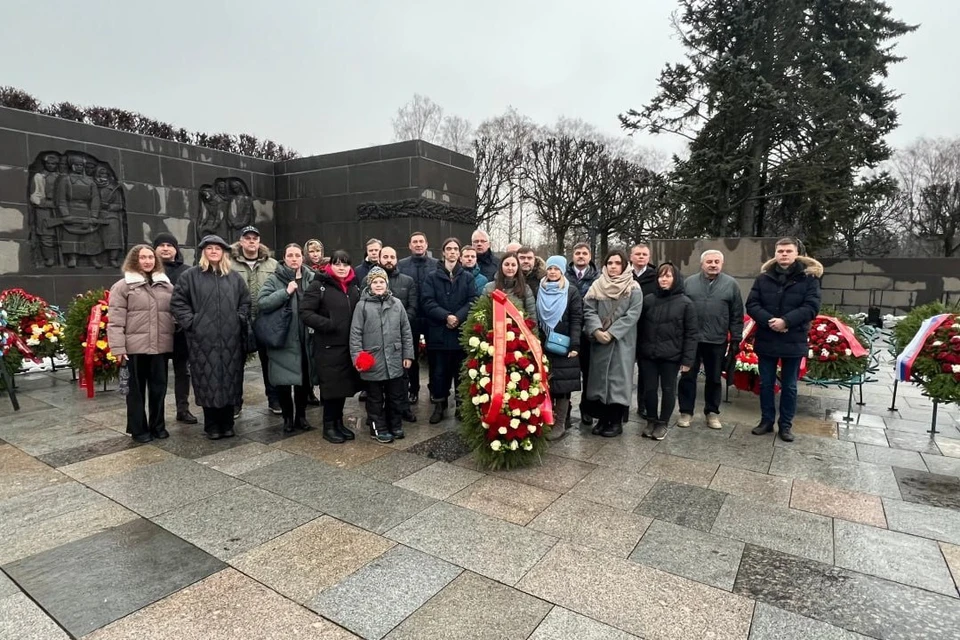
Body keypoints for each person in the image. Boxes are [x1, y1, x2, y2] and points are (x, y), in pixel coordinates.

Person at [170, 235, 250, 440]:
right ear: (203, 252)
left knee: (230, 379)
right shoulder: (190, 276)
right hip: (202, 340)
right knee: (207, 380)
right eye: (209, 248)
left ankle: (228, 423)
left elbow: (245, 301)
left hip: (230, 339)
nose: (214, 251)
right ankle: (212, 424)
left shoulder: (234, 278)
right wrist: (193, 323)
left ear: (223, 252)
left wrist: (238, 318)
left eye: (218, 248)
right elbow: (178, 303)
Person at [746, 238, 822, 442]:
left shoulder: (809, 279)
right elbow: (752, 304)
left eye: (788, 251)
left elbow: (812, 307)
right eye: (780, 251)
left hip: (793, 339)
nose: (784, 254)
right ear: (775, 254)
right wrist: (769, 321)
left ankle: (786, 425)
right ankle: (766, 421)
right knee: (766, 384)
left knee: (789, 386)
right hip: (767, 337)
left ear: (797, 253)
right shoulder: (763, 279)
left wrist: (786, 321)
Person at [107, 245, 175, 443]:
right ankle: (138, 429)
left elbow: (174, 313)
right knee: (134, 393)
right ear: (134, 261)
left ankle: (158, 427)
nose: (147, 261)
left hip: (159, 348)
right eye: (143, 258)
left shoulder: (166, 286)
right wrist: (118, 348)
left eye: (151, 258)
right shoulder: (123, 286)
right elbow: (115, 320)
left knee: (159, 390)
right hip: (133, 350)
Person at [300, 250, 362, 444]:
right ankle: (328, 426)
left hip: (347, 346)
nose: (341, 268)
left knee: (343, 387)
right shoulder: (319, 285)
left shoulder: (354, 287)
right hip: (327, 346)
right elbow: (305, 312)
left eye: (345, 264)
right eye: (337, 264)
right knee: (331, 388)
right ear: (331, 266)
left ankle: (338, 422)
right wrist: (328, 324)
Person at [678, 250, 744, 430]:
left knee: (714, 378)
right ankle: (686, 412)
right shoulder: (689, 283)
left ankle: (712, 412)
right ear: (702, 264)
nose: (713, 264)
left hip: (716, 339)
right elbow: (681, 309)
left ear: (721, 264)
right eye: (709, 261)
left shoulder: (731, 285)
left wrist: (736, 338)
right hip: (692, 339)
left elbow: (737, 314)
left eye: (716, 261)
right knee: (687, 376)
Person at [582, 249, 644, 437]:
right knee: (600, 381)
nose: (614, 267)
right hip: (600, 341)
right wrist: (596, 330)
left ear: (624, 265)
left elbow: (633, 314)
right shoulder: (597, 285)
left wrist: (612, 333)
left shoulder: (633, 288)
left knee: (617, 382)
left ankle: (616, 422)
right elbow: (589, 309)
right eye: (610, 263)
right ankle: (602, 419)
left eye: (618, 263)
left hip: (621, 342)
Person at [351, 267, 415, 443]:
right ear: (369, 285)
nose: (378, 285)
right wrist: (358, 357)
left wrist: (407, 355)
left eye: (381, 282)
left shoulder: (397, 304)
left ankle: (395, 424)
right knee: (375, 398)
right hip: (373, 360)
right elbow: (355, 334)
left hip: (394, 358)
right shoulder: (361, 306)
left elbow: (406, 331)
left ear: (386, 284)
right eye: (375, 282)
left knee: (396, 395)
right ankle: (378, 427)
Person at [257, 243, 316, 434]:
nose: (294, 259)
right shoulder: (274, 279)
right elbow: (263, 302)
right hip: (284, 339)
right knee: (284, 382)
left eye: (297, 255)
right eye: (290, 255)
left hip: (306, 338)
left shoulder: (311, 278)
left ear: (302, 258)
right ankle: (287, 419)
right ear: (284, 258)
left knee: (303, 382)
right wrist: (285, 292)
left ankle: (301, 417)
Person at [638, 263, 698, 440]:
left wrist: (687, 361)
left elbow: (691, 334)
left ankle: (662, 423)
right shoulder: (649, 300)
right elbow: (640, 328)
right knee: (649, 389)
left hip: (671, 356)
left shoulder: (686, 303)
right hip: (648, 354)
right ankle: (651, 420)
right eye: (661, 276)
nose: (663, 279)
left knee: (668, 389)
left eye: (668, 276)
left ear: (675, 279)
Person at [421, 238, 477, 423]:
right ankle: (439, 404)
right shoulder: (431, 277)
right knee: (439, 372)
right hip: (439, 332)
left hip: (460, 333)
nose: (452, 252)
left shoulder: (467, 277)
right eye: (449, 249)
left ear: (459, 254)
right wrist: (446, 316)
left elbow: (472, 301)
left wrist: (458, 317)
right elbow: (427, 302)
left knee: (461, 372)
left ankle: (461, 405)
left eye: (455, 249)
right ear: (443, 252)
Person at [231, 225, 280, 417]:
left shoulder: (273, 265)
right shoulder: (230, 263)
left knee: (270, 362)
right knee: (236, 364)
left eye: (255, 238)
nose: (251, 241)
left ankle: (274, 399)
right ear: (241, 241)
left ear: (259, 241)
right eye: (247, 238)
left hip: (265, 320)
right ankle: (235, 402)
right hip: (239, 321)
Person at [537, 255, 583, 441]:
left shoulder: (570, 291)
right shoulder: (540, 289)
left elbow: (577, 318)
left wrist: (574, 344)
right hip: (543, 343)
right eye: (550, 268)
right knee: (546, 383)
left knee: (563, 385)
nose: (553, 272)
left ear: (562, 270)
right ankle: (548, 419)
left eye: (556, 268)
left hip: (563, 345)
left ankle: (560, 423)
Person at [153, 232, 195, 424]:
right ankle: (157, 413)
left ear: (176, 249)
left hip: (181, 331)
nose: (165, 248)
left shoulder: (187, 271)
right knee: (158, 373)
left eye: (170, 245)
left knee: (183, 371)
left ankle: (183, 409)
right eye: (161, 245)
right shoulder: (147, 272)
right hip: (157, 331)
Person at [397, 231, 438, 405]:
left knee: (434, 355)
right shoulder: (401, 265)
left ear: (427, 245)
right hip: (410, 317)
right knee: (410, 353)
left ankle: (434, 388)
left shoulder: (437, 264)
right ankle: (413, 389)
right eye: (415, 242)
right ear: (410, 245)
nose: (419, 244)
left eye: (422, 241)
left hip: (432, 317)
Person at [380, 245, 418, 422]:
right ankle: (379, 411)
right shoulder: (369, 280)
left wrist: (399, 323)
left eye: (392, 257)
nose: (389, 260)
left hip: (400, 335)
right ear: (379, 259)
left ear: (397, 259)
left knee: (403, 375)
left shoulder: (407, 281)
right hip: (378, 337)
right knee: (379, 377)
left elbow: (412, 307)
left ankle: (403, 408)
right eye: (385, 256)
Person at [566, 243, 600, 426]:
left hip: (588, 332)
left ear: (590, 256)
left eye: (584, 253)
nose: (580, 256)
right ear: (573, 255)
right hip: (568, 331)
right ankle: (566, 408)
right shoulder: (564, 276)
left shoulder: (598, 278)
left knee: (588, 373)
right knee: (567, 372)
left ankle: (587, 409)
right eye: (577, 253)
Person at [629, 243, 658, 420]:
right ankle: (622, 405)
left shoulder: (656, 277)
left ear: (649, 257)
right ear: (631, 256)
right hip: (626, 329)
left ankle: (644, 405)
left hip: (647, 329)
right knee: (624, 369)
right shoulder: (623, 274)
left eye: (644, 254)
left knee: (646, 372)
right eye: (637, 254)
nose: (641, 257)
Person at [483, 252, 538, 323]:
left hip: (520, 331)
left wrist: (533, 333)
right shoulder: (489, 288)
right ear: (501, 266)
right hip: (494, 330)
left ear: (518, 267)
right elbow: (482, 312)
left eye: (513, 265)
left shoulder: (525, 289)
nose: (510, 268)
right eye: (506, 264)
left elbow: (532, 316)